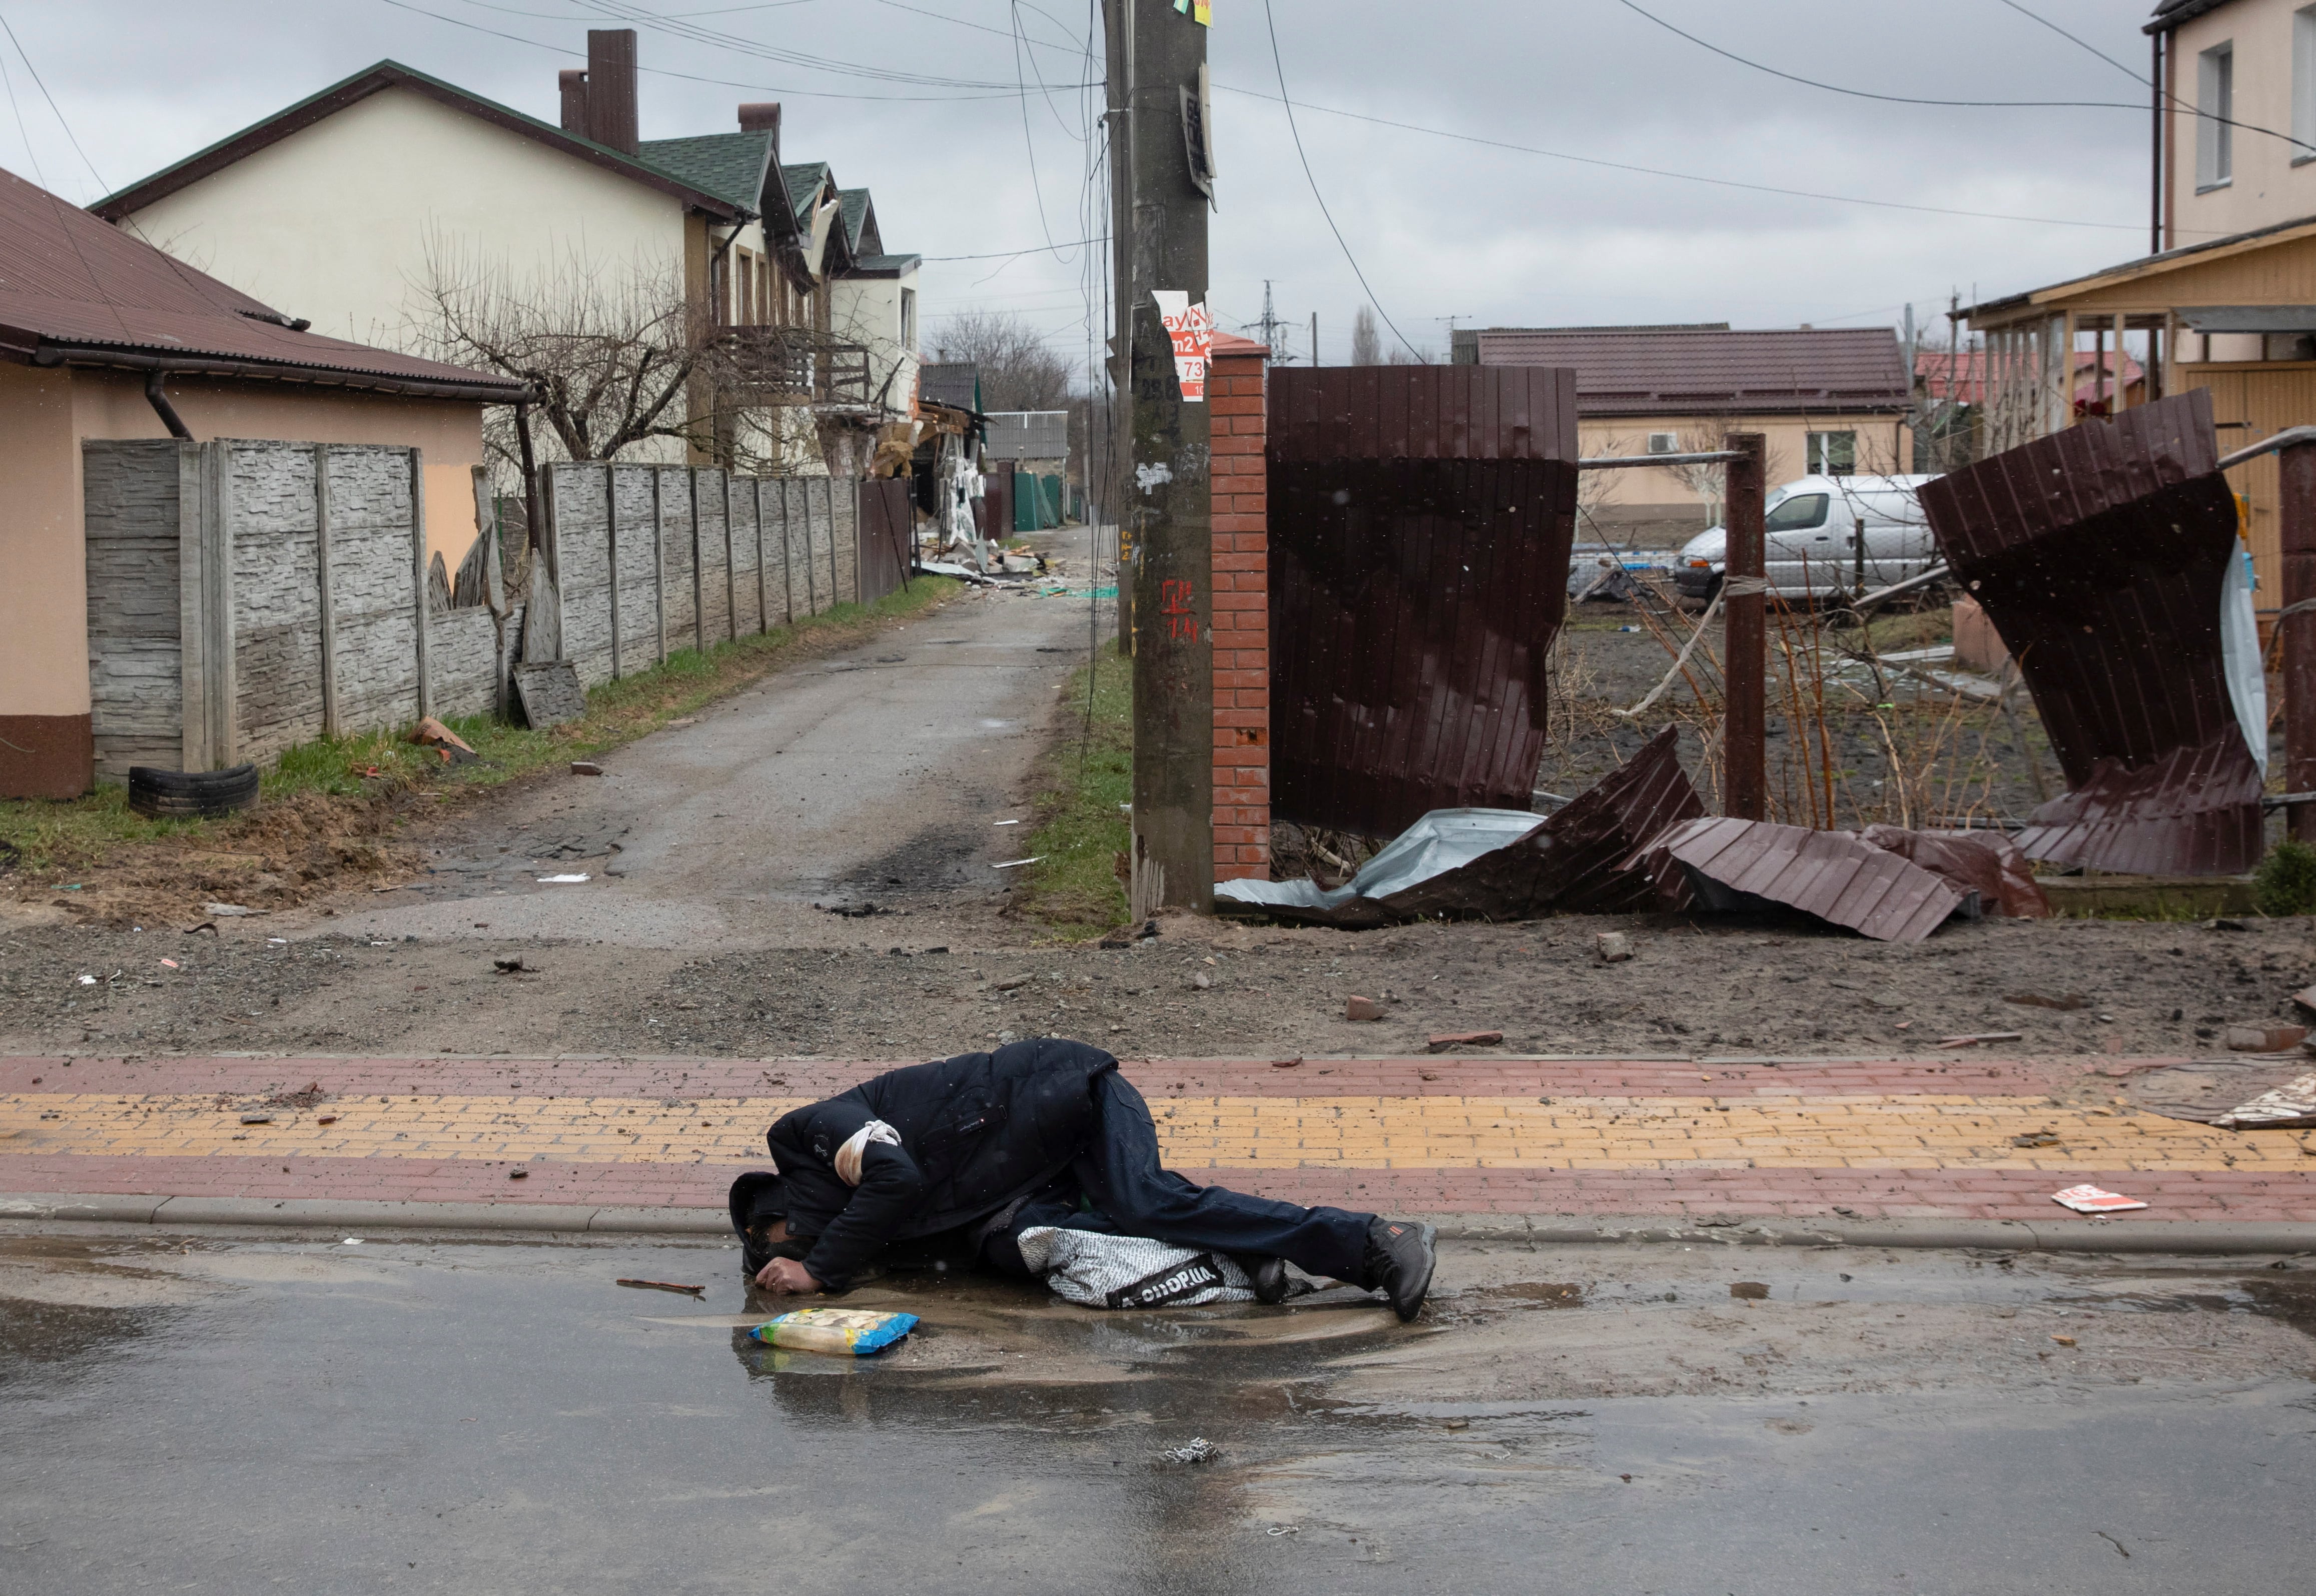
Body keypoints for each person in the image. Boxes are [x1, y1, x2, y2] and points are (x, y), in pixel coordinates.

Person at [728, 1037, 1438, 1321]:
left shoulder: (813, 1132)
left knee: (1147, 1197)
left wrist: (817, 1269)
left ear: (781, 1194)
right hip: (1040, 1163)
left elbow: (895, 1175)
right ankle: (1237, 1252)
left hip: (1073, 1096)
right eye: (772, 1248)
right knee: (1022, 1242)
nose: (779, 1243)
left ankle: (1375, 1238)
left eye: (773, 1230)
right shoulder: (867, 1220)